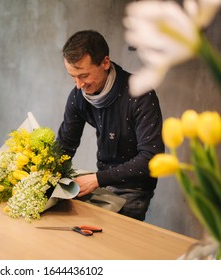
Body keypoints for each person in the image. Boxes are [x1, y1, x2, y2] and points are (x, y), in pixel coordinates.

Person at [57, 30, 165, 221]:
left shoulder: (140, 94)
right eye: (73, 77)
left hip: (134, 188)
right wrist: (41, 177)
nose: (78, 85)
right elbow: (65, 143)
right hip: (102, 181)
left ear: (105, 63)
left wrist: (98, 179)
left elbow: (151, 157)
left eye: (83, 75)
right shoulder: (78, 96)